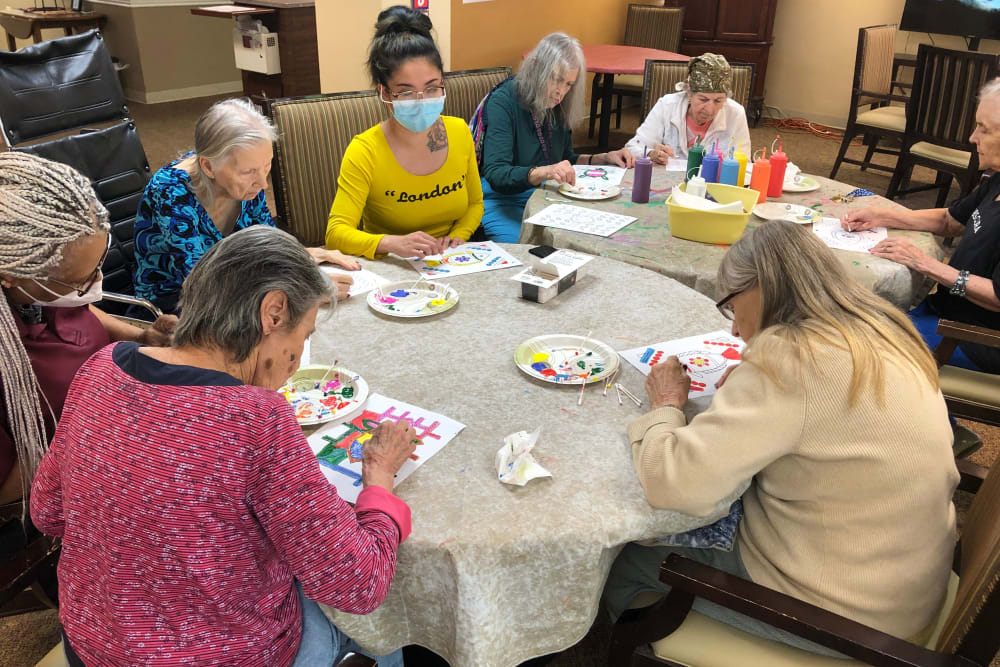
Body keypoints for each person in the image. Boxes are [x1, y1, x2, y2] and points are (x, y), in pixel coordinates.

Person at [31, 226, 415, 666]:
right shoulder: (257, 417)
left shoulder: (100, 368)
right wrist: (381, 477)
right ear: (272, 312)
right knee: (391, 626)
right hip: (227, 656)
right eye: (303, 336)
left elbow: (48, 512)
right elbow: (358, 583)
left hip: (92, 647)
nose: (295, 360)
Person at [604, 221, 958, 655]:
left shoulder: (791, 358)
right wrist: (756, 388)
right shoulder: (881, 325)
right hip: (905, 581)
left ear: (761, 287)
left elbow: (674, 483)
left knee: (628, 561)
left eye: (731, 305)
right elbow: (819, 415)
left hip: (850, 617)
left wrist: (666, 405)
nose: (734, 330)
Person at [0, 153, 176, 510]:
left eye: (99, 265)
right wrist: (88, 425)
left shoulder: (42, 287)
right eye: (82, 280)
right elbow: (7, 495)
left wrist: (139, 337)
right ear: (12, 275)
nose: (97, 282)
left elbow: (81, 309)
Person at [134, 98, 358, 314]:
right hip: (174, 309)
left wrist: (303, 257)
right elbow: (202, 285)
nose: (263, 183)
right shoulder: (170, 191)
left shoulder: (250, 181)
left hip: (239, 291)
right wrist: (302, 289)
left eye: (267, 165)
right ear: (208, 166)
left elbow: (265, 247)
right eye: (249, 171)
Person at [842, 77, 1000, 374]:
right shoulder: (996, 178)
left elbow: (997, 297)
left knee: (855, 340)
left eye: (984, 128)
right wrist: (881, 216)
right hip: (948, 312)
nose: (972, 136)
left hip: (974, 338)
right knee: (857, 313)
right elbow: (950, 220)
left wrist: (925, 263)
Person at [326, 6, 483, 259]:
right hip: (392, 268)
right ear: (385, 93)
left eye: (432, 88)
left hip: (451, 259)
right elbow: (336, 233)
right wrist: (391, 243)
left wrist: (459, 236)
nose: (422, 100)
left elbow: (475, 204)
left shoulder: (459, 132)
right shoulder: (365, 151)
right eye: (407, 92)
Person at [478, 32, 636, 243]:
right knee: (527, 254)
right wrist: (545, 171)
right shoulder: (503, 101)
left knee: (588, 240)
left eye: (569, 84)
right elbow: (496, 174)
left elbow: (566, 158)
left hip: (546, 195)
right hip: (504, 200)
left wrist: (604, 157)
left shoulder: (558, 104)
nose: (561, 92)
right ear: (537, 69)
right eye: (556, 80)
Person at [625, 53, 751, 165]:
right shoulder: (667, 105)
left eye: (718, 100)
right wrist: (650, 153)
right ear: (689, 92)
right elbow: (632, 147)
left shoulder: (736, 114)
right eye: (703, 99)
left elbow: (744, 163)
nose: (710, 109)